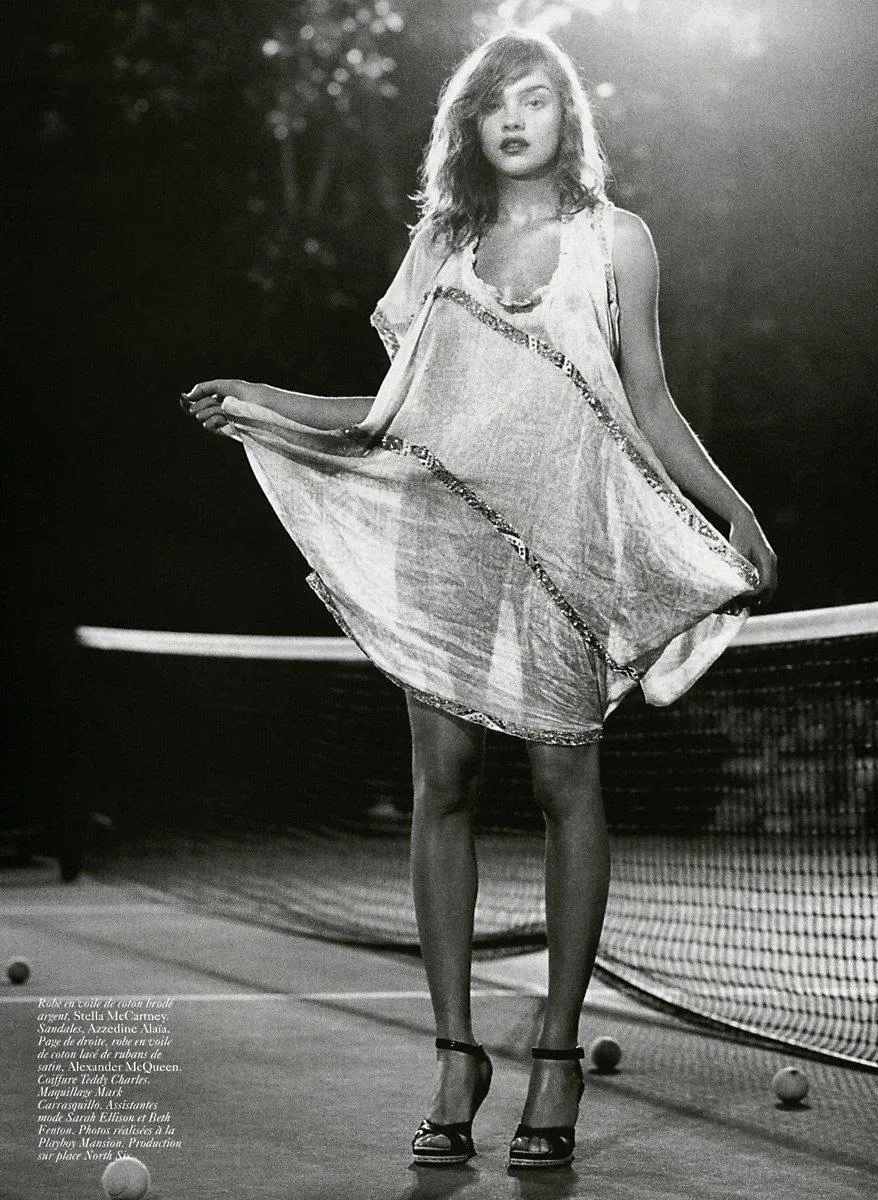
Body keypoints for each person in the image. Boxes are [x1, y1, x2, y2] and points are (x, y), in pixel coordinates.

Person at [181, 28, 776, 1171]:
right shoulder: (441, 243)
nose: (513, 118)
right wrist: (267, 396)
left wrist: (731, 510)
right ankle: (457, 1055)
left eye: (535, 99)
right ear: (470, 121)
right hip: (439, 545)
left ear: (565, 118)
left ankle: (555, 1054)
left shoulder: (617, 240)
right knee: (442, 782)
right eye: (495, 100)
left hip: (564, 546)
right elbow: (393, 413)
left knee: (563, 780)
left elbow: (648, 402)